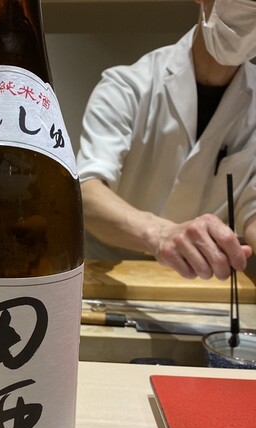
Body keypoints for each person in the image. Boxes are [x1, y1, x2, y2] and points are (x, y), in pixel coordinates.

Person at [77, 0, 256, 280]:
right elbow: (87, 192)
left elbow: (253, 210)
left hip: (201, 278)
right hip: (113, 270)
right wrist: (161, 234)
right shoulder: (126, 86)